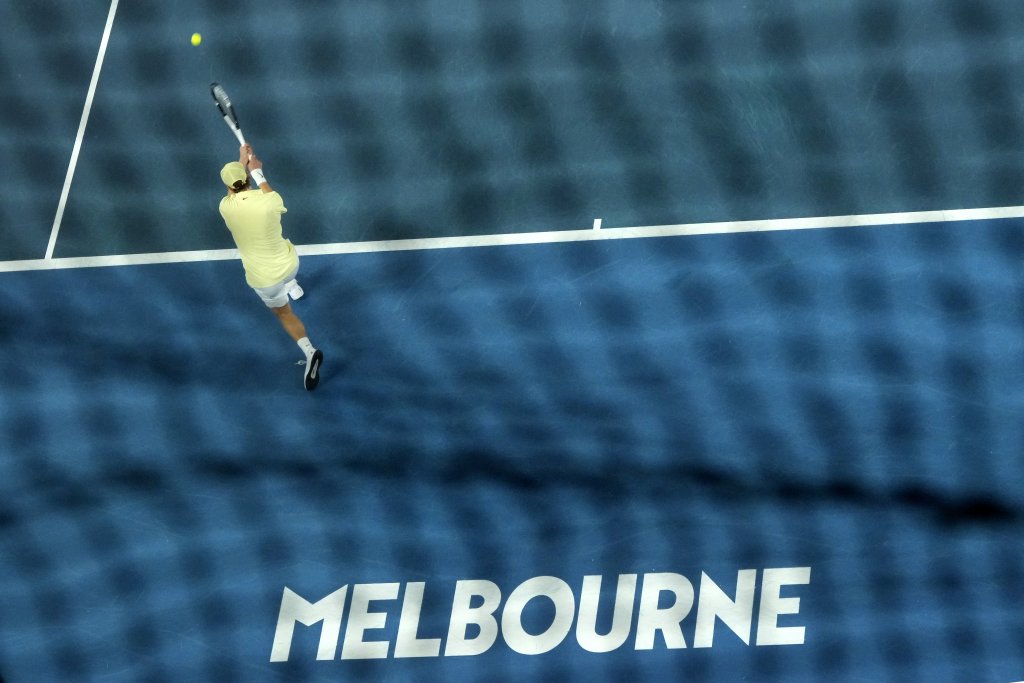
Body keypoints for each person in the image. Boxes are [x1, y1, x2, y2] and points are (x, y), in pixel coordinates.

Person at [218, 143, 323, 390]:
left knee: (284, 313)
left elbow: (234, 186)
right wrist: (256, 170)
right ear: (246, 178)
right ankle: (293, 286)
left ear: (228, 187)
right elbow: (263, 188)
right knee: (283, 257)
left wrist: (242, 162)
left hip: (265, 280)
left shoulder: (226, 207)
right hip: (290, 264)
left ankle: (310, 352)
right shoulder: (271, 201)